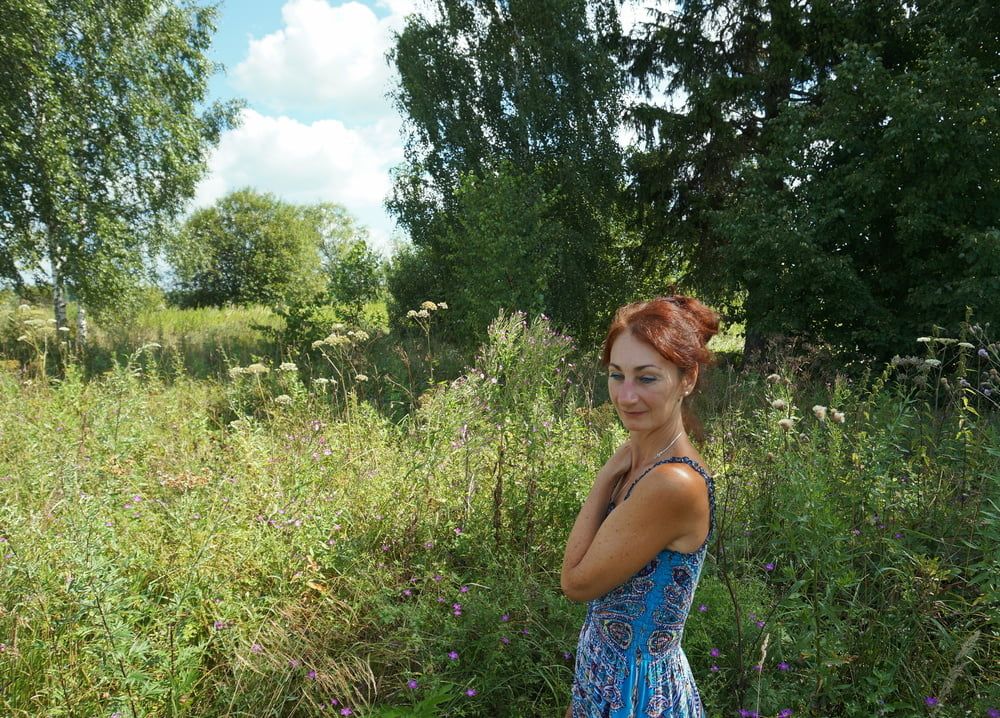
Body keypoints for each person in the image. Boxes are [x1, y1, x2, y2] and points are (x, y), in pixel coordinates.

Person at [561, 295, 718, 717]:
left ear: (688, 379)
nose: (625, 396)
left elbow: (576, 583)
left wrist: (603, 478)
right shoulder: (646, 462)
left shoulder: (672, 482)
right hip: (604, 676)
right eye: (617, 375)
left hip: (638, 693)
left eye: (646, 378)